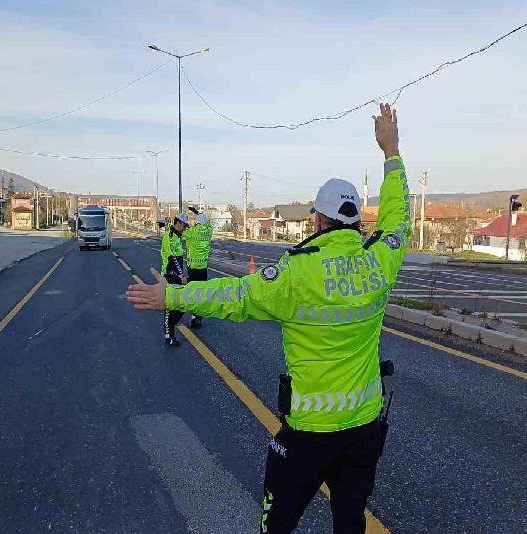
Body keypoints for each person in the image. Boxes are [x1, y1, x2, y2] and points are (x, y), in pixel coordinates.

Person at [128, 103, 409, 533]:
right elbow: (397, 218)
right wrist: (391, 152)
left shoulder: (297, 273)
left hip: (309, 433)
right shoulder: (379, 263)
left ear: (318, 219)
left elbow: (234, 296)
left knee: (276, 525)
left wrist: (173, 295)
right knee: (350, 522)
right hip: (364, 430)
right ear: (355, 222)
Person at [160, 213, 190, 346]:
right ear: (178, 223)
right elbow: (172, 259)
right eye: (184, 226)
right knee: (170, 306)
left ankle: (171, 328)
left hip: (177, 276)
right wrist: (181, 275)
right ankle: (169, 336)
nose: (185, 229)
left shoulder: (177, 236)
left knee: (181, 305)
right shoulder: (170, 237)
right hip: (169, 275)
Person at [182, 211, 213, 328]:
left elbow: (181, 232)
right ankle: (198, 316)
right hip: (203, 267)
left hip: (192, 267)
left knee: (194, 292)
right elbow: (208, 224)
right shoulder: (209, 231)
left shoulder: (192, 231)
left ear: (197, 223)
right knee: (201, 292)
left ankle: (193, 315)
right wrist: (199, 214)